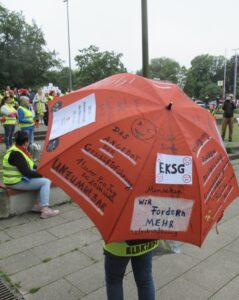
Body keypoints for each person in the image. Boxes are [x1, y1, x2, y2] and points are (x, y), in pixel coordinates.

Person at [2, 130, 60, 219]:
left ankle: (38, 206)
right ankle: (45, 209)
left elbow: (32, 165)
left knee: (43, 180)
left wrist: (43, 169)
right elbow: (27, 172)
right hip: (15, 182)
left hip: (15, 180)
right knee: (45, 182)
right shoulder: (17, 154)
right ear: (26, 142)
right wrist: (43, 174)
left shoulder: (17, 150)